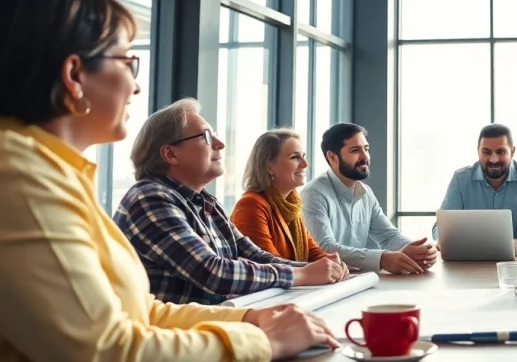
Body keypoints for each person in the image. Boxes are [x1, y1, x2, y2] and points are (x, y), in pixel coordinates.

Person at [0, 0, 337, 362]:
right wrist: (262, 338)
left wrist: (249, 318)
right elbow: (113, 361)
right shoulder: (21, 180)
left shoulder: (53, 175)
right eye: (128, 63)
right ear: (74, 75)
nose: (137, 85)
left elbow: (142, 312)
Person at [114, 99, 345, 306]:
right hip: (172, 338)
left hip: (210, 326)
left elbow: (255, 255)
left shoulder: (205, 202)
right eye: (206, 136)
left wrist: (316, 269)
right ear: (171, 155)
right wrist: (302, 275)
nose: (220, 143)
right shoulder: (150, 198)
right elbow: (212, 272)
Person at [303, 123, 436, 274]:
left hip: (355, 281)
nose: (364, 156)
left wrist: (421, 251)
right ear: (332, 157)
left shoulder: (366, 193)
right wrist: (382, 259)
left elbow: (388, 236)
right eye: (355, 150)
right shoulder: (313, 194)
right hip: (323, 284)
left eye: (366, 149)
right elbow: (325, 248)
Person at [435, 123, 517, 254]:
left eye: (500, 152)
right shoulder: (460, 179)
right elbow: (440, 227)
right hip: (469, 262)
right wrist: (443, 238)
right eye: (486, 152)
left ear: (512, 151)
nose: (493, 159)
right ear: (478, 151)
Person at [231, 128, 343, 265]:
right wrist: (316, 268)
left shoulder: (291, 205)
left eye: (304, 156)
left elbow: (312, 252)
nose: (305, 164)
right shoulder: (250, 205)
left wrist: (333, 263)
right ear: (268, 166)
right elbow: (269, 264)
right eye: (295, 157)